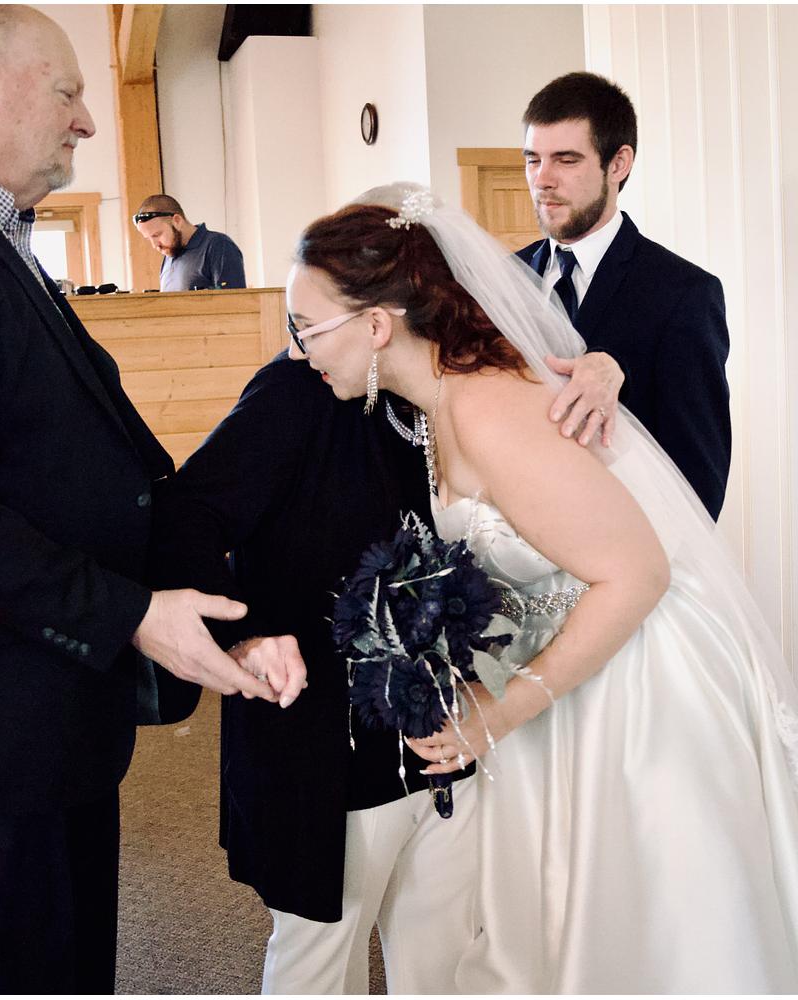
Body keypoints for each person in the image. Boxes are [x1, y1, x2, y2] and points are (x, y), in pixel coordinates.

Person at [282, 182, 798, 993]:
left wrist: (501, 710)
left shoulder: (488, 409)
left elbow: (637, 573)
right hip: (562, 660)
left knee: (646, 934)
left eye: (305, 327)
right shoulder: (430, 401)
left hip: (636, 677)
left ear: (378, 326)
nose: (296, 350)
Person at [0, 8, 289, 993]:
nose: (86, 121)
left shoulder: (13, 246)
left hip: (57, 720)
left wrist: (233, 600)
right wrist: (128, 614)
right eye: (67, 91)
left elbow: (108, 463)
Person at [149, 353, 477, 994]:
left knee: (446, 957)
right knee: (320, 961)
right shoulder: (296, 391)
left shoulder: (457, 386)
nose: (301, 341)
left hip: (447, 731)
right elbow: (184, 516)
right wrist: (245, 637)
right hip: (323, 744)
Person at [517, 72, 731, 521]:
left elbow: (699, 486)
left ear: (618, 164)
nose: (542, 179)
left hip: (626, 545)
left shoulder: (684, 293)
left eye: (566, 160)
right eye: (533, 159)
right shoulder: (505, 277)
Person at [134, 193, 246, 291]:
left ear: (177, 221)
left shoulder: (218, 246)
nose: (155, 245)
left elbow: (234, 301)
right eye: (149, 238)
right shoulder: (169, 256)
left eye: (157, 235)